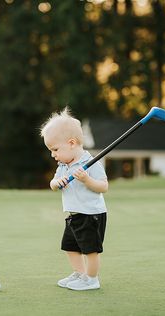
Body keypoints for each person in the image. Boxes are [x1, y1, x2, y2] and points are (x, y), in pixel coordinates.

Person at [40, 107, 108, 291]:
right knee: (70, 246)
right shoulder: (63, 165)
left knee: (90, 250)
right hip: (74, 214)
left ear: (71, 143)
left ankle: (92, 279)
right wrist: (57, 182)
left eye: (55, 149)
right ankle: (80, 274)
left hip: (91, 214)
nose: (52, 154)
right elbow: (53, 184)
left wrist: (87, 180)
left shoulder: (90, 162)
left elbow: (103, 186)